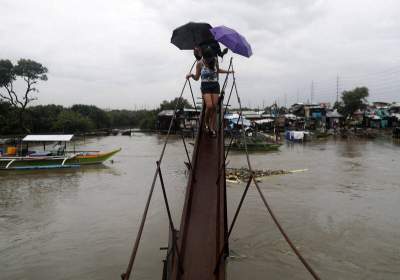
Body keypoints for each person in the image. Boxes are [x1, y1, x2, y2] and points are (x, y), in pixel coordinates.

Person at [186, 46, 233, 137]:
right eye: (207, 58)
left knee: (215, 107)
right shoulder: (199, 64)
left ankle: (211, 127)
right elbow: (196, 78)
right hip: (205, 86)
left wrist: (229, 72)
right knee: (209, 105)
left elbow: (218, 71)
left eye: (210, 58)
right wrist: (191, 75)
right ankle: (206, 121)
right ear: (204, 56)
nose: (209, 60)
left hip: (215, 85)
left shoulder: (214, 60)